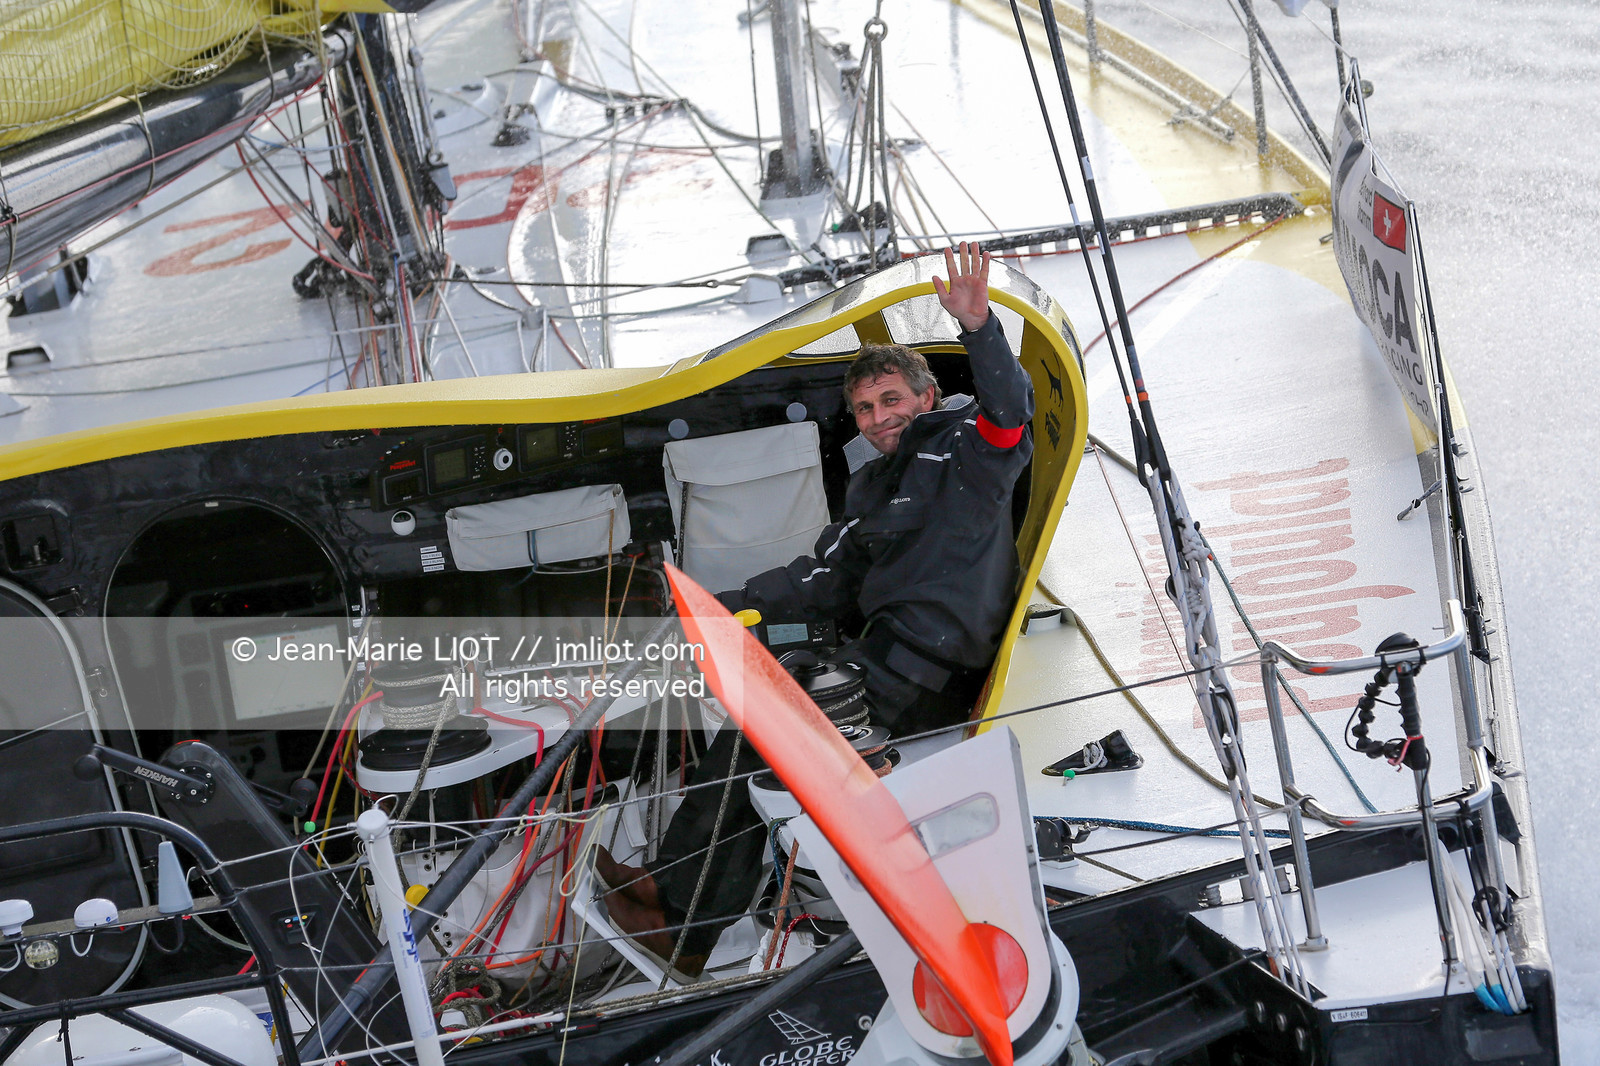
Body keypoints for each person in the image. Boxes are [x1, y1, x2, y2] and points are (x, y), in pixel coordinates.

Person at [599, 242, 1034, 976]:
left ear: (925, 398)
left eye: (891, 400)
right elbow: (820, 580)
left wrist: (979, 326)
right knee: (760, 719)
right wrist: (707, 608)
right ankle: (675, 912)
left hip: (933, 666)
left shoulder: (965, 449)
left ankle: (682, 919)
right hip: (885, 658)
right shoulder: (869, 494)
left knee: (780, 731)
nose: (876, 417)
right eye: (864, 408)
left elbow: (1009, 412)